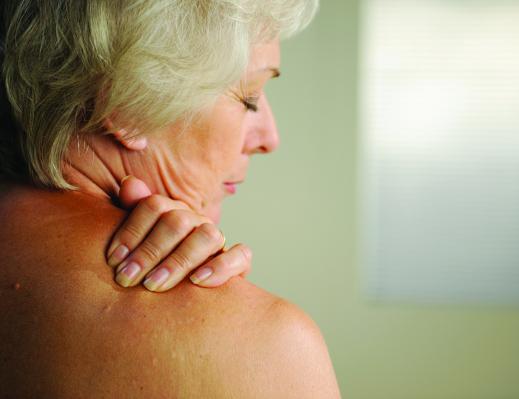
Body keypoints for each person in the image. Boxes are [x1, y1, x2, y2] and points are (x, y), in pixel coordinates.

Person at [0, 1, 341, 397]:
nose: (269, 138)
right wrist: (227, 314)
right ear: (127, 108)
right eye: (248, 97)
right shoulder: (267, 344)